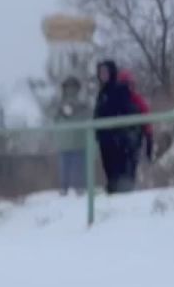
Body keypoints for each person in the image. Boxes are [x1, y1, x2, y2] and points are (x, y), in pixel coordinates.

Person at [93, 60, 140, 193]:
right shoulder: (101, 93)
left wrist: (123, 132)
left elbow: (128, 111)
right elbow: (97, 114)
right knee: (108, 166)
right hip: (105, 138)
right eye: (100, 72)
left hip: (119, 138)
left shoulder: (120, 89)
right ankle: (112, 187)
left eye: (105, 72)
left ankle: (123, 189)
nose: (102, 75)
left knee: (120, 167)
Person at [50, 76, 93, 195]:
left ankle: (76, 187)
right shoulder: (59, 105)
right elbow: (54, 118)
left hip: (77, 140)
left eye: (72, 87)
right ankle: (67, 188)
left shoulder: (82, 105)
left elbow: (88, 117)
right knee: (67, 167)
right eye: (68, 87)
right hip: (67, 141)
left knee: (76, 167)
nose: (70, 90)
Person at [118, 69, 154, 164]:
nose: (128, 88)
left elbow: (148, 125)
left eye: (130, 85)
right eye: (125, 85)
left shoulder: (138, 101)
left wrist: (149, 144)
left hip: (133, 142)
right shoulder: (114, 103)